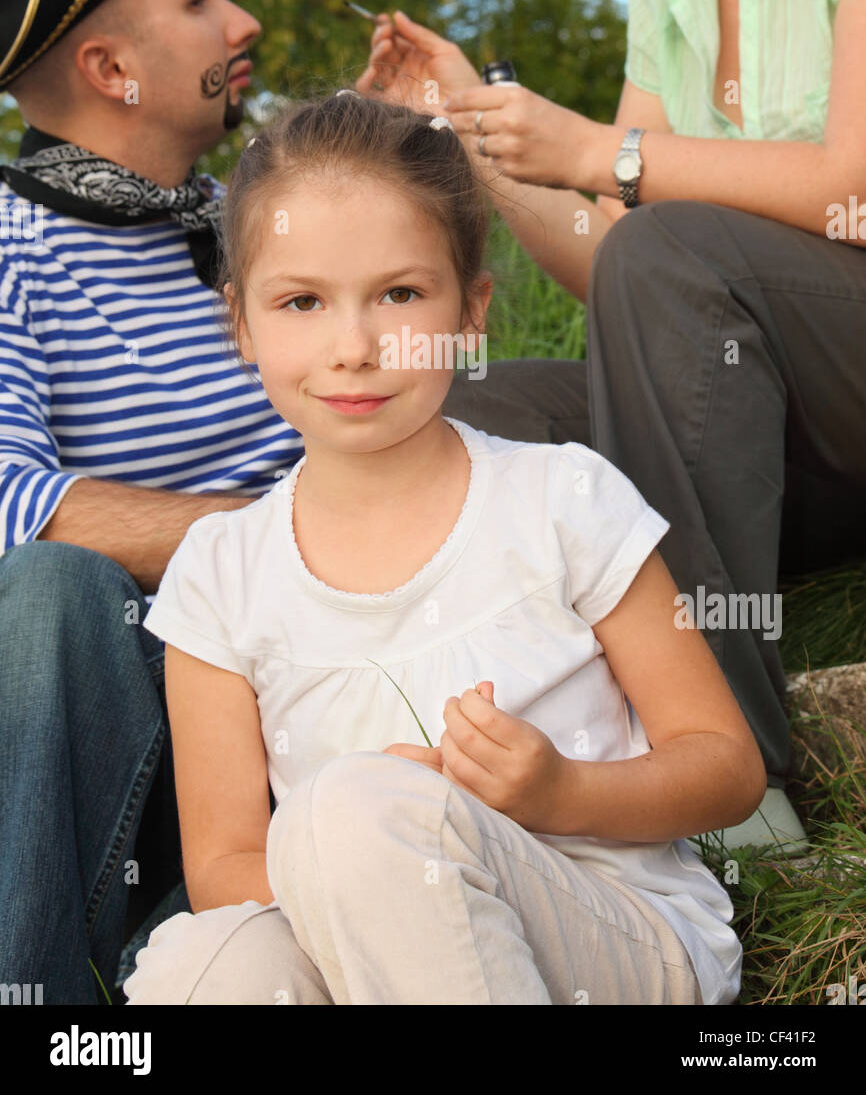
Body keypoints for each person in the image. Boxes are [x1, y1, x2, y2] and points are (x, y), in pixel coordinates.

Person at [0, 0, 586, 1003]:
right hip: (152, 695)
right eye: (202, 1)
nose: (244, 18)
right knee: (47, 589)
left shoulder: (245, 221)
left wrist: (386, 145)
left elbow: (406, 348)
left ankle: (655, 779)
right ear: (110, 70)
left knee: (528, 400)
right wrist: (277, 544)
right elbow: (6, 495)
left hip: (339, 665)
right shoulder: (11, 246)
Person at [123, 89, 764, 1006]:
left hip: (611, 939)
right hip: (370, 943)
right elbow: (226, 861)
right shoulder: (219, 576)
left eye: (399, 294)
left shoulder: (559, 499)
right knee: (203, 966)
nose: (353, 346)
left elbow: (726, 767)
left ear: (472, 311)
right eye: (302, 301)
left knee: (356, 815)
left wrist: (559, 792)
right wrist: (373, 867)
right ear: (241, 325)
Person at [355, 0, 866, 852]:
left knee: (666, 242)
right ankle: (494, 753)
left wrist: (604, 153)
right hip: (772, 437)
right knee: (465, 407)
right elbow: (616, 270)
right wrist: (472, 138)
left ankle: (724, 771)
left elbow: (855, 182)